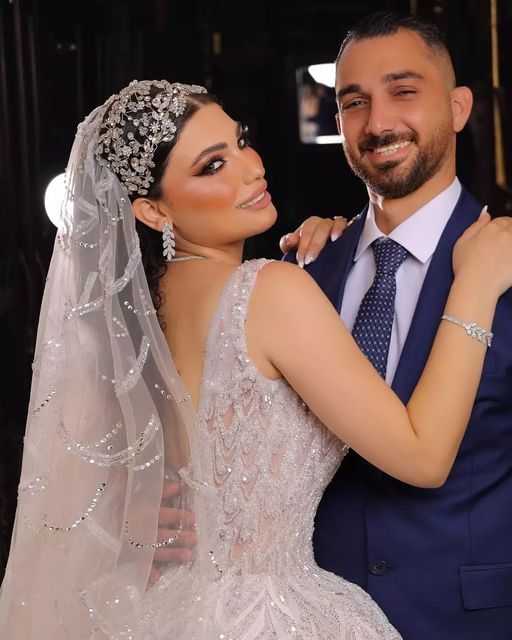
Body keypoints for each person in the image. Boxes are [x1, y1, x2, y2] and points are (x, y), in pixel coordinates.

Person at [0, 79, 511, 640]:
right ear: (150, 210)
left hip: (163, 612)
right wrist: (477, 288)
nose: (251, 168)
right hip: (264, 614)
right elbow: (424, 456)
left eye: (240, 141)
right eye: (212, 166)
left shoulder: (131, 315)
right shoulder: (267, 291)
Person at [281, 11, 512, 640]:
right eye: (355, 103)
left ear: (459, 107)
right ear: (338, 125)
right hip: (315, 619)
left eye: (404, 92)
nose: (378, 123)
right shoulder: (297, 272)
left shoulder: (504, 260)